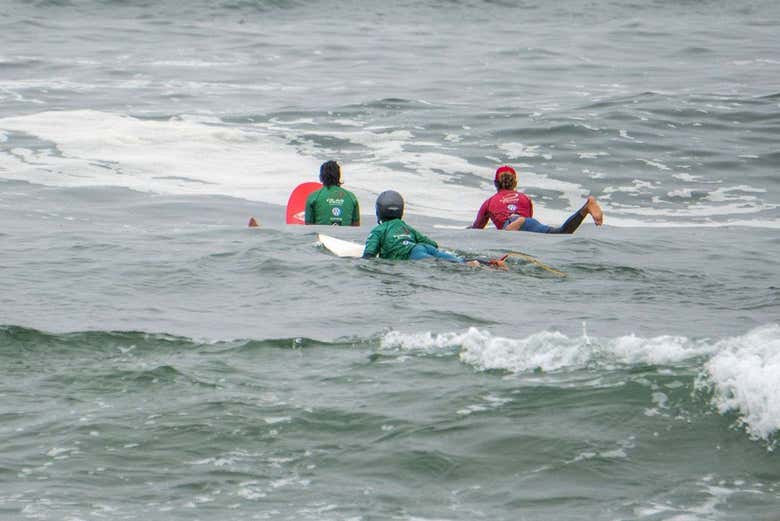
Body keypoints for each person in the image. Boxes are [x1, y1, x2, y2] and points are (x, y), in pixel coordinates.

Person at [469, 165, 603, 233]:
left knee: (508, 234)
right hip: (526, 222)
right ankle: (586, 208)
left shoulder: (490, 202)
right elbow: (528, 224)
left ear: (495, 183)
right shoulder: (524, 198)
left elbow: (477, 229)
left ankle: (510, 230)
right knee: (562, 232)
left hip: (512, 224)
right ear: (515, 183)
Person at [363, 190, 482, 267]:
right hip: (422, 247)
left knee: (445, 265)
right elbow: (433, 244)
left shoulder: (378, 231)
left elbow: (369, 255)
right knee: (457, 260)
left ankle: (469, 264)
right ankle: (486, 262)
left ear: (379, 211)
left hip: (412, 255)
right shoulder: (407, 228)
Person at [304, 160, 360, 226]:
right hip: (345, 235)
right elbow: (356, 227)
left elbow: (309, 226)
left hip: (323, 235)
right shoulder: (351, 197)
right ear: (338, 176)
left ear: (321, 177)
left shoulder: (313, 197)